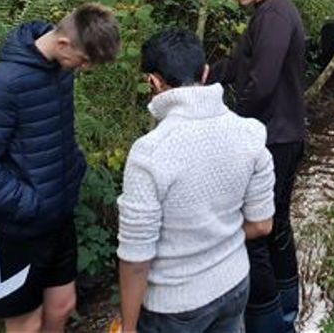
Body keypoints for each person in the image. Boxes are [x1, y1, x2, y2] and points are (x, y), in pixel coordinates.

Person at [0, 4, 120, 333]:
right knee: (26, 324)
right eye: (85, 60)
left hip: (59, 215)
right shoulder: (4, 84)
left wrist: (72, 173)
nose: (85, 68)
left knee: (62, 306)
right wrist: (30, 205)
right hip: (18, 228)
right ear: (63, 44)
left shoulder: (60, 70)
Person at [116, 28, 276, 333]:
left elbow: (136, 259)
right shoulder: (251, 133)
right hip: (235, 284)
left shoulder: (149, 153)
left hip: (174, 305)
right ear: (205, 72)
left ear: (154, 82)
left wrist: (128, 327)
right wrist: (218, 240)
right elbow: (261, 225)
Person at [211, 0, 306, 333]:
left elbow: (261, 83)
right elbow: (241, 66)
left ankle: (272, 319)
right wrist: (207, 73)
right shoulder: (266, 15)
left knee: (261, 229)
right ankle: (286, 310)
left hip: (276, 136)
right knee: (277, 224)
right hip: (278, 132)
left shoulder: (276, 15)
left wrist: (233, 123)